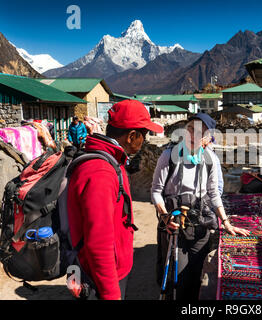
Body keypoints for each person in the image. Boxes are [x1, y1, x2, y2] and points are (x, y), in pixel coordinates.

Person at [67, 99, 163, 300]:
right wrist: (111, 294)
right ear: (131, 136)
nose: (144, 140)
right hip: (98, 278)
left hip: (99, 272)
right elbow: (98, 242)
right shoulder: (100, 171)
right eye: (144, 134)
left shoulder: (110, 161)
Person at [151, 113, 249, 300]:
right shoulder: (168, 156)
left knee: (197, 276)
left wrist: (226, 222)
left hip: (200, 226)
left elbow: (214, 194)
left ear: (208, 138)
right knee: (178, 279)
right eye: (190, 129)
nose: (193, 135)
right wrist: (165, 216)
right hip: (175, 226)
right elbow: (156, 191)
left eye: (200, 132)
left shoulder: (210, 159)